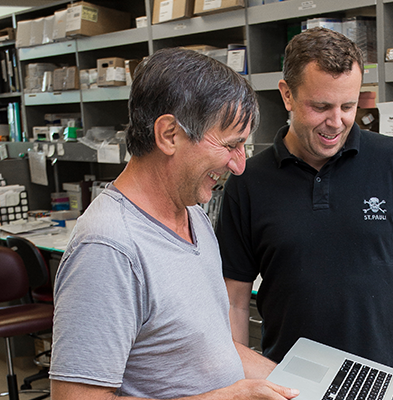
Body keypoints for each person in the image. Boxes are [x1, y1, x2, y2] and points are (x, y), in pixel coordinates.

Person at [49, 47, 299, 400]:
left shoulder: (192, 213)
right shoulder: (109, 248)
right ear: (169, 134)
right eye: (230, 145)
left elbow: (210, 351)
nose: (239, 165)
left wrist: (308, 387)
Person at [216, 27, 393, 399]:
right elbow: (233, 299)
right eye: (321, 106)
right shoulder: (248, 180)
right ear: (287, 95)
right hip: (289, 387)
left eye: (349, 106)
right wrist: (240, 386)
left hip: (382, 387)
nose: (336, 121)